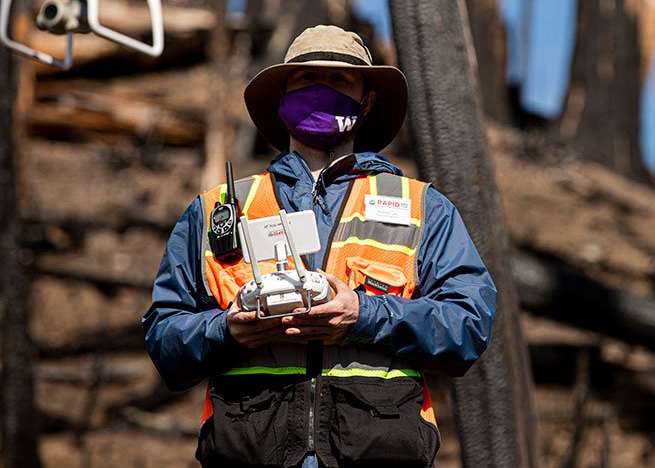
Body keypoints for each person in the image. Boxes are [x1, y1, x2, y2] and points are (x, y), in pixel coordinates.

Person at [143, 25, 497, 468]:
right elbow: (163, 338)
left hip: (379, 453)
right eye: (306, 81)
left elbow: (469, 326)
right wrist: (226, 331)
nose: (321, 92)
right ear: (281, 99)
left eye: (339, 81)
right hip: (248, 451)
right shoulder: (217, 209)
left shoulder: (423, 208)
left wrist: (362, 316)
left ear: (367, 101)